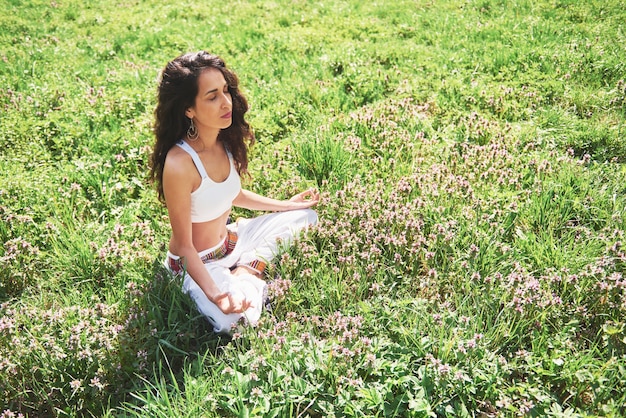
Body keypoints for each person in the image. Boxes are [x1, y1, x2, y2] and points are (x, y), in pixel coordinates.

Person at [150, 51, 319, 334]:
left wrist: (286, 206)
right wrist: (217, 295)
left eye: (226, 90)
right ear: (188, 109)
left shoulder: (222, 138)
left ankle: (247, 270)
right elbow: (185, 246)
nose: (226, 102)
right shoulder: (179, 164)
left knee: (307, 217)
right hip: (198, 263)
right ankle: (245, 274)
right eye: (212, 96)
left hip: (233, 240)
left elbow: (232, 194)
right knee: (237, 322)